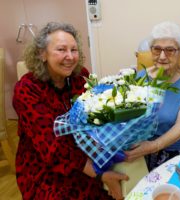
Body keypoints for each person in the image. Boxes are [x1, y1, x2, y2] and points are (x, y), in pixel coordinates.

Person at [13, 22, 128, 200]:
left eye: (74, 50)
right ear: (42, 54)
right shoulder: (27, 89)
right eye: (61, 49)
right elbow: (52, 147)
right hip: (44, 166)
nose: (70, 57)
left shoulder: (80, 76)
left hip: (83, 154)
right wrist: (99, 174)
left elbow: (94, 119)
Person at [125, 21, 180, 170]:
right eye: (157, 49)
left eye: (169, 50)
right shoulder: (140, 77)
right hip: (148, 146)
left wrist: (153, 146)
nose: (162, 56)